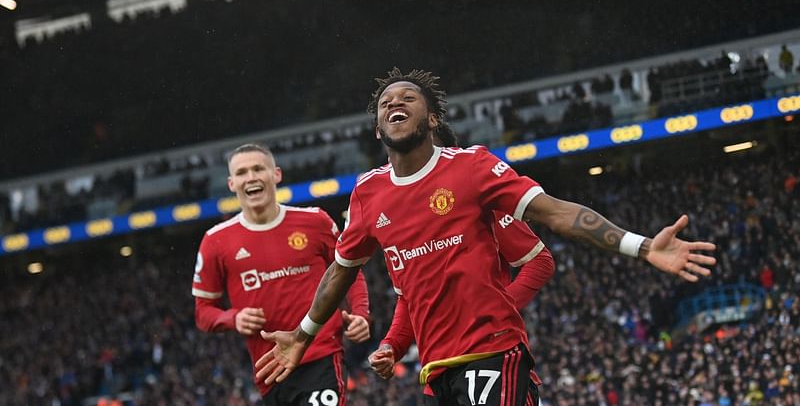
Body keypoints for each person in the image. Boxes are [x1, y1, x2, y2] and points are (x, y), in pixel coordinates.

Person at [255, 68, 716, 406]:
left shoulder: (471, 167)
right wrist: (304, 334)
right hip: (437, 371)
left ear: (432, 119)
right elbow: (345, 268)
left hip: (493, 350)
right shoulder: (368, 194)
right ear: (378, 128)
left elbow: (556, 213)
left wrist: (639, 245)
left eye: (408, 98)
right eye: (386, 103)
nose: (395, 102)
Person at [368, 121, 556, 401]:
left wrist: (496, 309)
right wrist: (391, 346)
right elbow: (408, 300)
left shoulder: (475, 199)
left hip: (488, 354)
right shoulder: (400, 225)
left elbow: (539, 261)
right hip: (438, 371)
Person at [192, 143, 371, 405]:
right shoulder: (215, 241)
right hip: (269, 372)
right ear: (231, 184)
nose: (251, 177)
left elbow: (350, 271)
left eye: (258, 169)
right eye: (242, 173)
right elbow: (203, 311)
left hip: (319, 355)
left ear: (276, 174)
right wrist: (233, 317)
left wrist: (360, 313)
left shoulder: (315, 222)